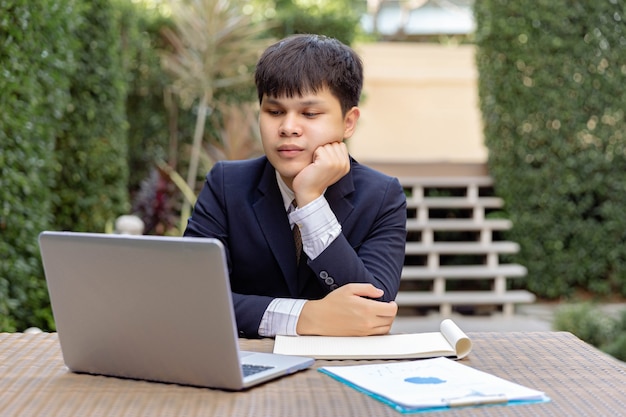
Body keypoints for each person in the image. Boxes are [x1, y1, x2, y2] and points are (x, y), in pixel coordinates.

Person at [184, 34, 407, 338]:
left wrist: (311, 201)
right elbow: (193, 298)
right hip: (244, 365)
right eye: (274, 112)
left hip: (342, 371)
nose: (288, 127)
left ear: (348, 122)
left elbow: (373, 308)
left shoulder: (382, 196)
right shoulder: (226, 184)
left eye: (309, 113)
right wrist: (305, 317)